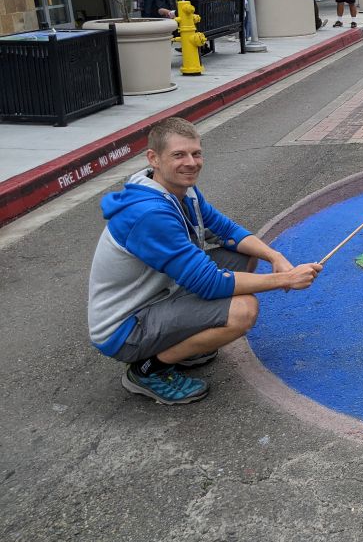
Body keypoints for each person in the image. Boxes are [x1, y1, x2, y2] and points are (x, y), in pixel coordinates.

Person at [88, 117, 322, 404]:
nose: (191, 162)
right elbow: (210, 283)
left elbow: (226, 231)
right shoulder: (149, 214)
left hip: (160, 296)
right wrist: (285, 279)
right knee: (242, 311)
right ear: (154, 158)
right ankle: (148, 371)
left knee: (243, 254)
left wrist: (276, 257)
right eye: (179, 155)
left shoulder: (181, 190)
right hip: (125, 328)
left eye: (196, 153)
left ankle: (184, 346)